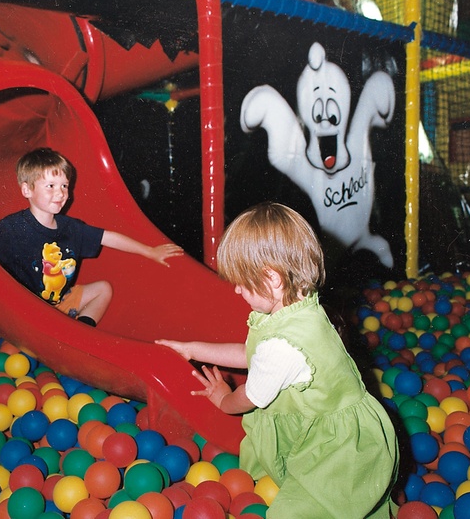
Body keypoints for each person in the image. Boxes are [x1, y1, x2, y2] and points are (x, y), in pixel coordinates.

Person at [156, 202, 399, 518]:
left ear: (272, 279)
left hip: (340, 452)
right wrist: (192, 349)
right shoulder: (304, 306)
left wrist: (222, 398)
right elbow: (253, 355)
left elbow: (249, 397)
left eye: (242, 282)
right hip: (344, 429)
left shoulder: (282, 345)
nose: (238, 290)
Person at [0, 147, 183, 327]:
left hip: (59, 304)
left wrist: (150, 251)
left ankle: (82, 328)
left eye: (64, 185)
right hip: (26, 313)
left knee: (104, 288)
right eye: (50, 186)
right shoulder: (14, 228)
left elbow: (107, 237)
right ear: (27, 190)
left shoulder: (70, 227)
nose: (60, 193)